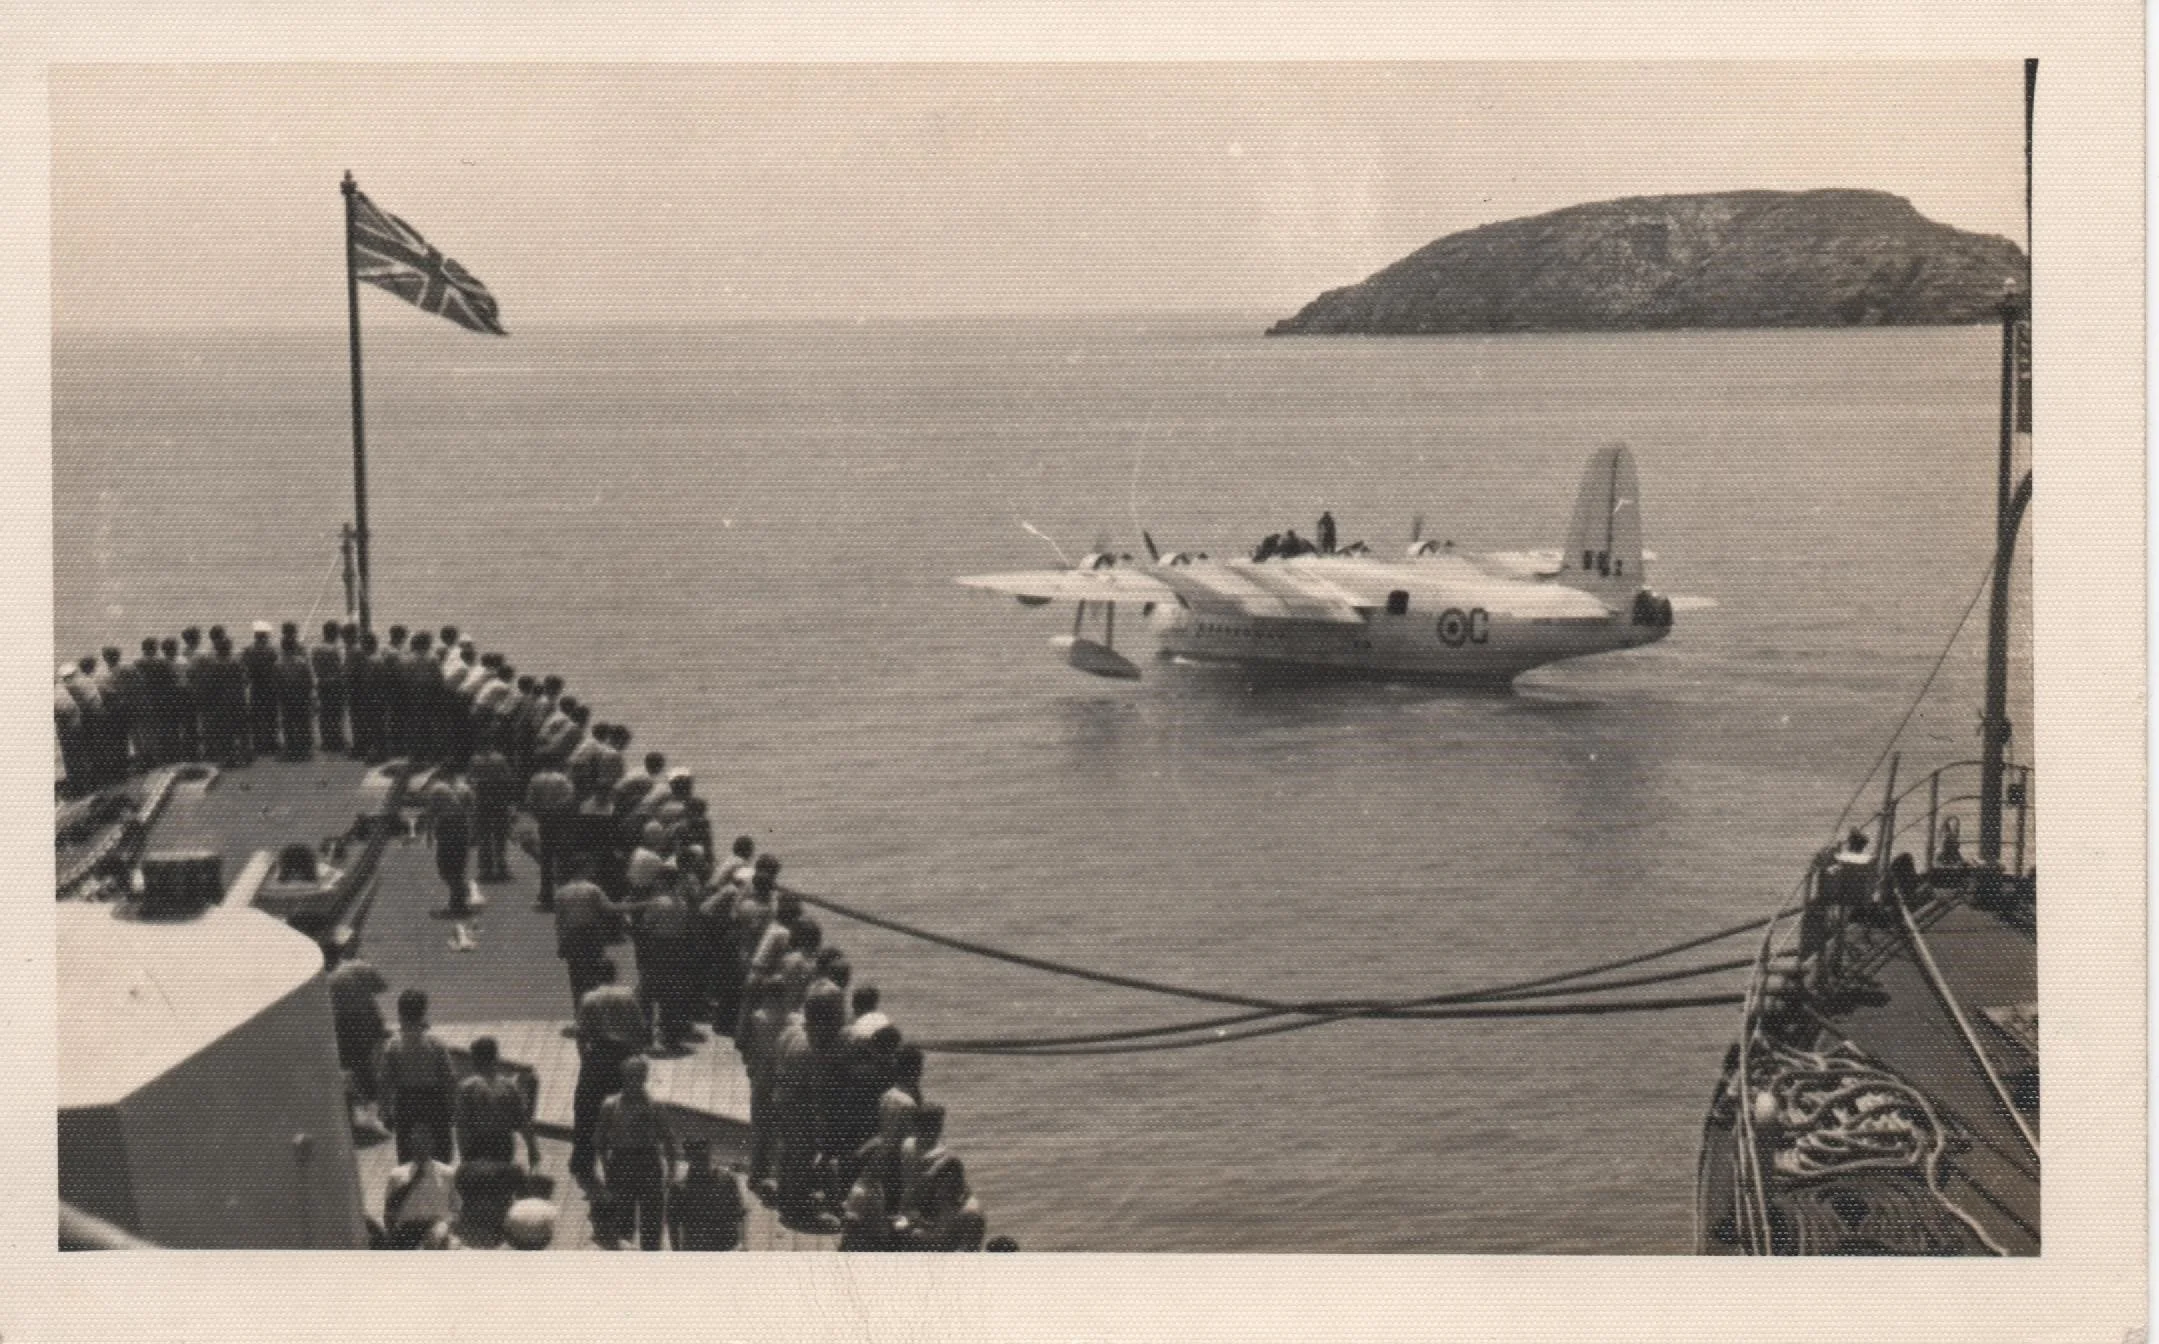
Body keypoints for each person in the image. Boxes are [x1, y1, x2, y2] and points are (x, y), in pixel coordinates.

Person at [570, 957, 648, 1184]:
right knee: (623, 1110)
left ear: (596, 975)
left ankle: (583, 1162)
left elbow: (581, 1035)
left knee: (586, 1110)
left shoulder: (590, 998)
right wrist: (635, 1058)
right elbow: (640, 1031)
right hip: (623, 1058)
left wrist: (587, 1060)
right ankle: (624, 1164)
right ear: (615, 974)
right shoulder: (628, 997)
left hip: (599, 1056)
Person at [594, 1055, 675, 1251]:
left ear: (644, 1078)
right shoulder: (611, 1105)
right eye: (631, 1076)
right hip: (621, 1163)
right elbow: (600, 1140)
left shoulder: (654, 1106)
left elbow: (668, 1139)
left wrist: (671, 1172)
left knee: (652, 1223)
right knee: (622, 1221)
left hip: (648, 1163)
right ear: (624, 1077)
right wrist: (606, 1168)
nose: (635, 1081)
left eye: (639, 1076)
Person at [374, 990, 457, 1164]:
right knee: (440, 1152)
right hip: (434, 1101)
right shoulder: (436, 1043)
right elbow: (449, 1078)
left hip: (406, 1102)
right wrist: (452, 1108)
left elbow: (384, 1081)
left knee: (407, 1154)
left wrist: (384, 1111)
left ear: (400, 1013)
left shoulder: (393, 1045)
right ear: (423, 1011)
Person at [454, 1035, 539, 1169]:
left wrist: (463, 1157)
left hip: (478, 1146)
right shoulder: (509, 1087)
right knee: (501, 1186)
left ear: (475, 1059)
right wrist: (532, 1148)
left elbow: (462, 1127)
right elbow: (522, 1121)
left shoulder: (468, 1087)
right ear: (496, 1057)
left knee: (480, 1186)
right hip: (503, 1145)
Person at [327, 955, 391, 1132]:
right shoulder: (361, 967)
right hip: (368, 1021)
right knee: (368, 1066)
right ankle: (377, 1110)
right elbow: (382, 987)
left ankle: (357, 1112)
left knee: (350, 1069)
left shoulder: (328, 977)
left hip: (344, 1026)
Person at [381, 1120, 460, 1249]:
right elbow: (389, 1214)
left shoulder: (448, 1173)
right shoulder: (397, 1176)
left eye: (425, 1137)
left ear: (432, 1143)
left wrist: (444, 1226)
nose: (421, 1142)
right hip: (407, 1234)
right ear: (409, 1143)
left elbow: (457, 1211)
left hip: (439, 1232)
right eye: (416, 1137)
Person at [668, 1138, 746, 1251]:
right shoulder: (679, 1189)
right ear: (688, 1159)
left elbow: (739, 1215)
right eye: (697, 1158)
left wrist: (742, 1245)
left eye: (704, 1158)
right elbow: (673, 1226)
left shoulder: (727, 1181)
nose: (702, 1163)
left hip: (725, 1249)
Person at [525, 758, 576, 911]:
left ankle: (546, 895)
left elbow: (529, 800)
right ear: (557, 764)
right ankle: (565, 895)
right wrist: (559, 809)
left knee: (546, 859)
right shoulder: (562, 779)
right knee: (563, 858)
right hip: (560, 821)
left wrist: (539, 813)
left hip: (545, 820)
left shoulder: (536, 779)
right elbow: (570, 797)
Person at [425, 768, 477, 916]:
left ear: (442, 775)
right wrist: (472, 832)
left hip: (446, 828)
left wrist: (429, 834)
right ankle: (459, 900)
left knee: (445, 867)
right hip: (462, 828)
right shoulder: (465, 788)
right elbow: (472, 811)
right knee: (459, 866)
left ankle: (458, 900)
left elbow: (431, 813)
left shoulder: (438, 789)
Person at [467, 740, 517, 882]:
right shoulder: (500, 759)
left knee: (484, 835)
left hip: (482, 801)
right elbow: (508, 779)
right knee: (500, 835)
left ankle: (485, 869)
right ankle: (502, 867)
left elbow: (469, 780)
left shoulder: (475, 760)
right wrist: (510, 800)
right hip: (499, 800)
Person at [240, 622, 280, 757]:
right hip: (270, 685)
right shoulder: (271, 650)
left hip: (255, 686)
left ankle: (257, 743)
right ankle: (271, 742)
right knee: (270, 715)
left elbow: (243, 667)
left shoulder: (247, 650)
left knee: (256, 715)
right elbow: (276, 667)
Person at [276, 633, 315, 758]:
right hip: (301, 697)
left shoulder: (278, 664)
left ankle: (290, 749)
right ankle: (305, 750)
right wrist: (309, 696)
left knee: (288, 724)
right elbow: (309, 681)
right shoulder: (302, 662)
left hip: (286, 698)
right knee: (303, 723)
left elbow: (276, 683)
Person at [312, 620, 349, 753]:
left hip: (322, 683)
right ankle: (337, 740)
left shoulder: (316, 648)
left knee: (325, 714)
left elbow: (315, 667)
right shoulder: (337, 650)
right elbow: (342, 668)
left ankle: (326, 741)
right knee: (337, 713)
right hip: (336, 684)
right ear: (335, 633)